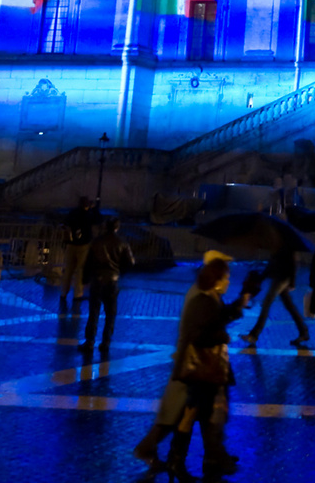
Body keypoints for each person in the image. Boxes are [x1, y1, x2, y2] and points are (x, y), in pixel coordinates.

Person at [136, 254, 256, 480]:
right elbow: (201, 331)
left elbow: (216, 318)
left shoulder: (210, 296)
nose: (229, 279)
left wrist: (240, 302)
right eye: (226, 275)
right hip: (195, 368)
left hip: (199, 368)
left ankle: (201, 458)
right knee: (183, 416)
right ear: (216, 276)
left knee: (193, 415)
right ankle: (190, 457)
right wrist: (223, 336)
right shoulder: (201, 297)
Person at [81, 217, 134, 352]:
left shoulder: (97, 242)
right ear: (117, 227)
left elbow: (88, 262)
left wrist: (85, 279)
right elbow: (130, 262)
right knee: (110, 313)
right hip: (112, 280)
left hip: (97, 279)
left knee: (94, 312)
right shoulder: (122, 242)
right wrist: (120, 271)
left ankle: (90, 341)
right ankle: (106, 341)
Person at [242, 246, 309, 347]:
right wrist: (263, 277)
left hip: (281, 278)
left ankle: (254, 335)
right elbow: (273, 263)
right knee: (289, 306)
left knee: (266, 304)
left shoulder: (284, 245)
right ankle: (303, 332)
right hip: (280, 277)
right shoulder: (279, 244)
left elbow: (292, 264)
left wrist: (292, 282)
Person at [57, 196, 97, 313]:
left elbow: (66, 223)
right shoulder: (88, 214)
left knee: (68, 269)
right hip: (83, 245)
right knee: (80, 269)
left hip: (71, 244)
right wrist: (93, 209)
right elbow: (97, 220)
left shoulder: (73, 213)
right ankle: (77, 294)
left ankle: (63, 292)